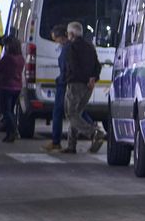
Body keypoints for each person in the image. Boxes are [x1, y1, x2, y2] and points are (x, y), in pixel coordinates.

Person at [60, 21, 104, 154]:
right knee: (76, 114)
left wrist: (84, 79)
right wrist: (93, 78)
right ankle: (71, 145)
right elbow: (98, 65)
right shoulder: (90, 47)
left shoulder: (71, 47)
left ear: (72, 34)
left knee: (71, 113)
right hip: (89, 87)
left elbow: (73, 67)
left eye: (68, 34)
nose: (67, 36)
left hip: (75, 84)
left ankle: (94, 133)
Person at [0, 35, 25, 143]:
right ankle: (11, 132)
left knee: (6, 111)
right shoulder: (21, 58)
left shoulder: (8, 58)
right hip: (17, 87)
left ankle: (12, 132)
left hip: (7, 86)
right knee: (11, 110)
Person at [42, 24, 69, 152]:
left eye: (55, 39)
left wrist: (61, 80)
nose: (55, 43)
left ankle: (56, 141)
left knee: (58, 111)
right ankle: (93, 130)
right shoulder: (69, 47)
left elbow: (65, 67)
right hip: (68, 82)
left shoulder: (67, 49)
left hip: (64, 83)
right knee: (75, 111)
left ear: (61, 37)